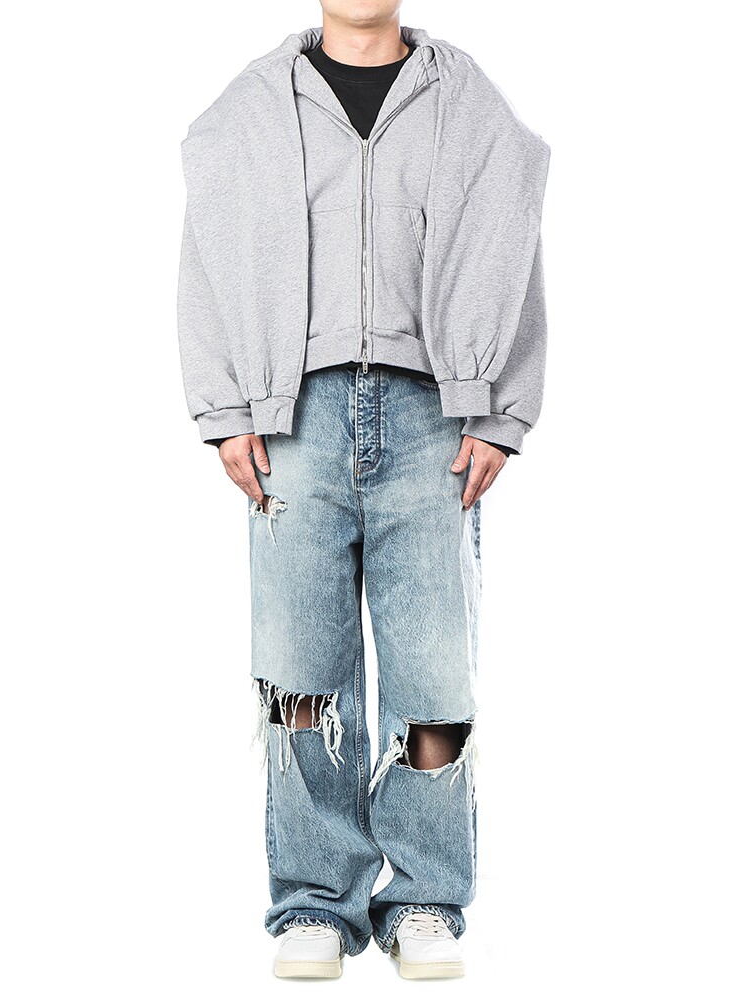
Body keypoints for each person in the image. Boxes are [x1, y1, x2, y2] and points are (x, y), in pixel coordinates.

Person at [176, 0, 550, 981]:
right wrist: (226, 405)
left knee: (434, 673)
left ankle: (424, 896)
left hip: (432, 415)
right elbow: (209, 243)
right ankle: (313, 899)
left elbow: (511, 226)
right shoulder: (255, 104)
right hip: (293, 416)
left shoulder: (460, 96)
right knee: (299, 670)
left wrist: (499, 407)